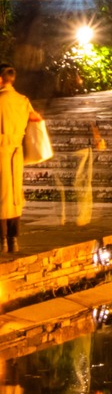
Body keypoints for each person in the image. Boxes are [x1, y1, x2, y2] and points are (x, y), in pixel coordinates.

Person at [0, 67, 43, 255]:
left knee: (2, 196)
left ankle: (1, 240)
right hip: (16, 153)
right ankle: (13, 239)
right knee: (15, 197)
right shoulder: (23, 100)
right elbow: (35, 119)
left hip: (1, 150)